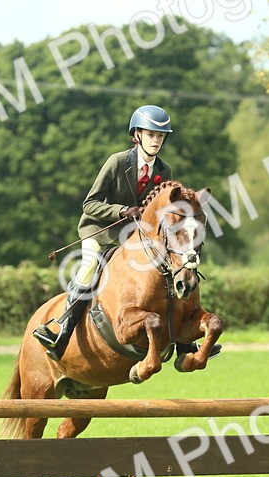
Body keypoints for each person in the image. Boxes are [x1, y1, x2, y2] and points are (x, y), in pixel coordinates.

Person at [33, 105, 174, 360]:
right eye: (151, 134)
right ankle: (60, 330)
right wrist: (121, 211)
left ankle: (181, 339)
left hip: (134, 238)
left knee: (170, 269)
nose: (156, 140)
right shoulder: (117, 162)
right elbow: (90, 204)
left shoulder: (164, 170)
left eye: (160, 136)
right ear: (137, 135)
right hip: (100, 231)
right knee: (89, 266)